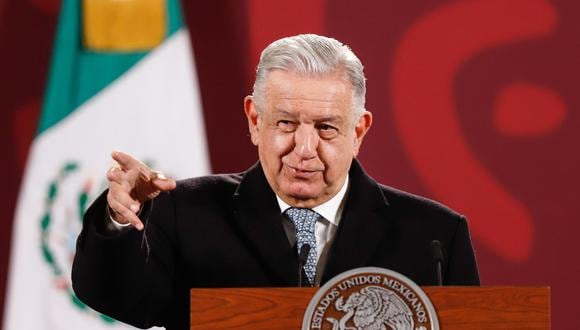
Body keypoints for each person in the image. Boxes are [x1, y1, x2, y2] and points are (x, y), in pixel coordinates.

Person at [72, 34, 479, 329]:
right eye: (286, 123)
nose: (303, 148)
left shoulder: (435, 236)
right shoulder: (186, 211)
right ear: (254, 120)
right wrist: (120, 220)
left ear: (359, 131)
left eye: (326, 128)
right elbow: (119, 298)